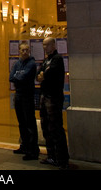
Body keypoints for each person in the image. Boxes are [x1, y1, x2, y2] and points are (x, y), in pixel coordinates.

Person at [37, 37, 70, 169]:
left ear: (53, 45)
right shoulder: (46, 60)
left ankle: (62, 159)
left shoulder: (57, 59)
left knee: (56, 127)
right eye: (43, 45)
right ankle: (51, 156)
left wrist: (43, 75)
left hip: (54, 97)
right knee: (46, 126)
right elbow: (38, 75)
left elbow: (47, 74)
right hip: (44, 96)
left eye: (47, 45)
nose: (45, 47)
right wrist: (42, 75)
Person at [9, 42, 39, 160]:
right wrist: (19, 76)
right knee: (21, 122)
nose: (24, 52)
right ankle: (24, 146)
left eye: (26, 50)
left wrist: (18, 76)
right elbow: (11, 77)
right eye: (22, 50)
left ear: (29, 51)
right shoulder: (17, 63)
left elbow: (23, 76)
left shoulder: (32, 64)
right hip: (18, 95)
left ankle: (33, 150)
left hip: (27, 96)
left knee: (29, 122)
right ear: (19, 51)